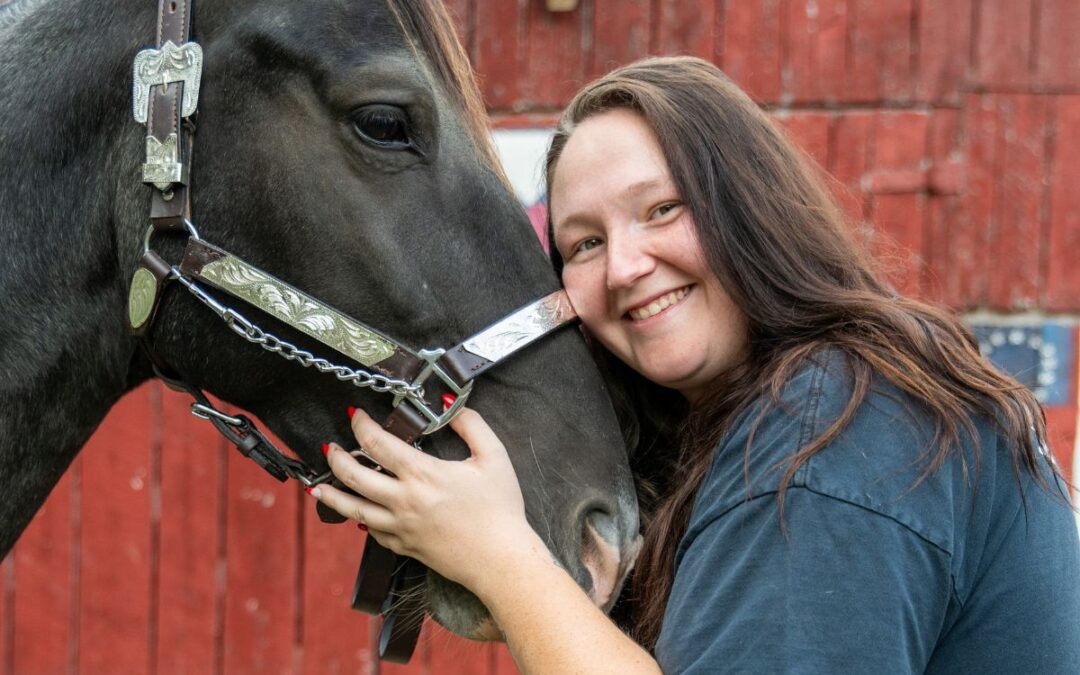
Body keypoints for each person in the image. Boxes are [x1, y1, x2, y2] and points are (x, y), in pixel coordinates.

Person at [308, 57, 1080, 673]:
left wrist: (499, 553)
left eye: (662, 209)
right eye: (583, 243)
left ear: (750, 206)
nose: (623, 266)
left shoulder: (831, 423)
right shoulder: (797, 414)